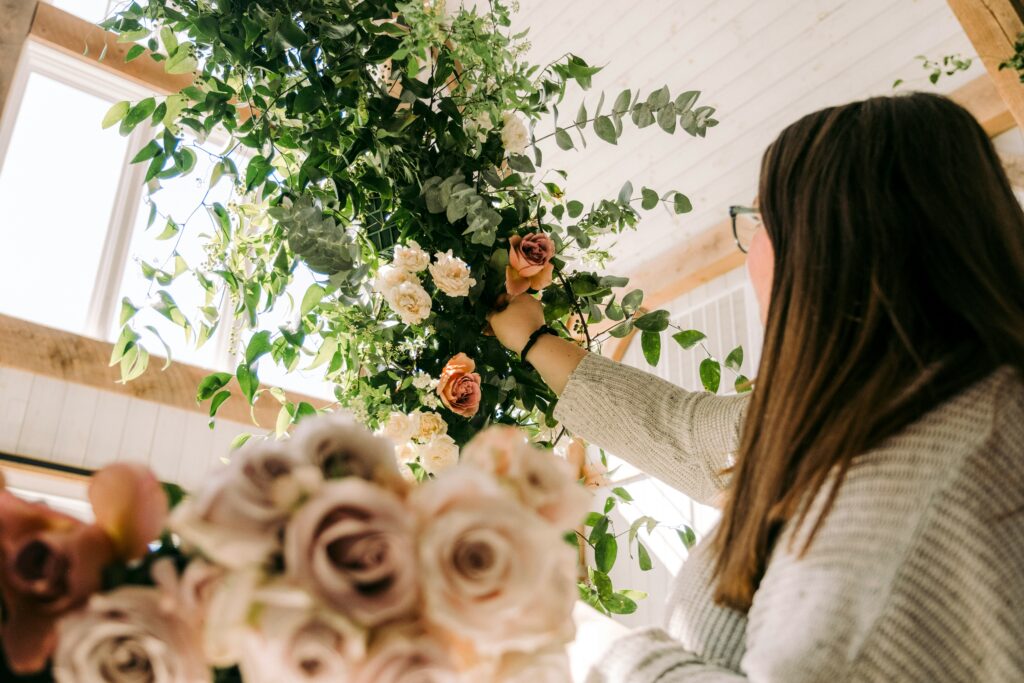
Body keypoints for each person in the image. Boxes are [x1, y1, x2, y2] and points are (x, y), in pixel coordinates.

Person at [489, 93, 1024, 682]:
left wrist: (562, 629)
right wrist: (534, 340)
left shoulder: (919, 483)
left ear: (831, 249)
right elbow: (687, 434)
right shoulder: (879, 406)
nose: (751, 252)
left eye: (763, 221)